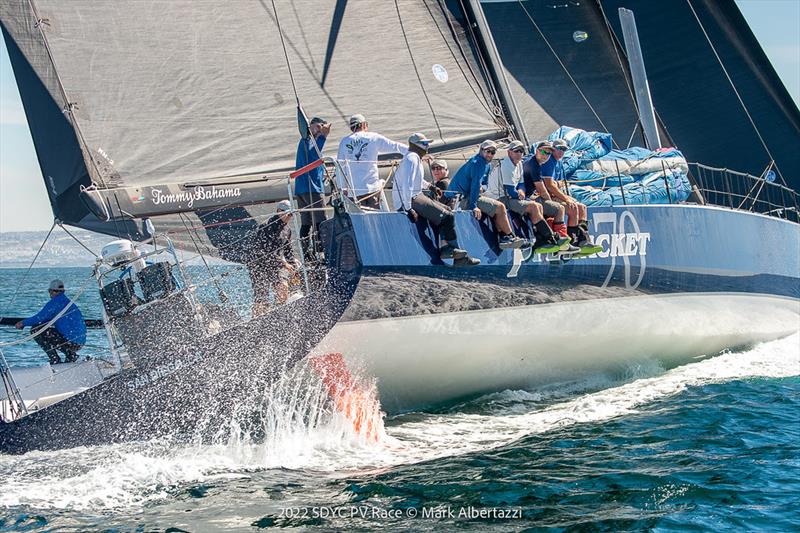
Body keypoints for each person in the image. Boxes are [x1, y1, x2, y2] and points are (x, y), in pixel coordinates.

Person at [393, 133, 480, 266]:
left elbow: (416, 180)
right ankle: (450, 252)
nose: (427, 147)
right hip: (411, 198)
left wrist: (430, 186)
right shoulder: (412, 158)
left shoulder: (414, 158)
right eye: (425, 144)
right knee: (447, 216)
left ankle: (453, 251)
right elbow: (407, 185)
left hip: (415, 196)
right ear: (416, 145)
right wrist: (408, 208)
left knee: (447, 210)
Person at [484, 140, 569, 254]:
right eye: (517, 151)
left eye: (522, 151)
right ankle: (550, 237)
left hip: (512, 196)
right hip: (501, 197)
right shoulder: (506, 164)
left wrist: (521, 191)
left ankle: (544, 239)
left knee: (538, 206)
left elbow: (521, 183)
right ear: (509, 152)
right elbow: (510, 190)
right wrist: (521, 195)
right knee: (534, 206)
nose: (520, 153)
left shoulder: (519, 163)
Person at [446, 140, 527, 249]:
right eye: (487, 151)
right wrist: (473, 206)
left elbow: (484, 184)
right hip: (460, 199)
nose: (490, 154)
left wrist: (482, 188)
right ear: (481, 151)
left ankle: (504, 237)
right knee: (500, 207)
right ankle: (509, 236)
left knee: (497, 206)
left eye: (493, 152)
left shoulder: (487, 164)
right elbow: (474, 186)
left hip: (469, 196)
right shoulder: (477, 163)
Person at [336, 113, 407, 209]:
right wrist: (415, 151)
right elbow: (395, 146)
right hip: (371, 189)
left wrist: (342, 188)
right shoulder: (373, 137)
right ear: (363, 124)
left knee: (360, 220)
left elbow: (340, 166)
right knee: (375, 217)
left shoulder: (344, 142)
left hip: (354, 192)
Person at [545, 138, 602, 253]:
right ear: (553, 149)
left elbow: (559, 183)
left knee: (582, 207)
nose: (561, 152)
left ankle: (583, 239)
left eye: (564, 149)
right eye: (559, 149)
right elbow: (550, 185)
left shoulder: (559, 162)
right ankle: (572, 241)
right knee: (573, 208)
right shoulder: (549, 161)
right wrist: (565, 198)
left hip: (555, 194)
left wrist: (559, 186)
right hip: (548, 196)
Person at [521, 141, 578, 253]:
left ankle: (569, 240)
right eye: (543, 151)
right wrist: (550, 201)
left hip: (530, 196)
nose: (545, 155)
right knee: (559, 208)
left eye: (548, 153)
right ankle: (561, 242)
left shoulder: (537, 163)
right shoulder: (534, 164)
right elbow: (542, 188)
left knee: (569, 207)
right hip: (527, 198)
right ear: (537, 150)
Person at [247, 200, 299, 316]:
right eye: (288, 214)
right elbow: (264, 252)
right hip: (258, 265)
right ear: (279, 211)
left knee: (283, 288)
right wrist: (284, 264)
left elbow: (288, 250)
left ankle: (278, 314)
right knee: (262, 297)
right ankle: (255, 319)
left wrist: (294, 265)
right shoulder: (267, 226)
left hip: (275, 264)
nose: (289, 217)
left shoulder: (287, 230)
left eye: (291, 215)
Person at [15, 279, 86, 364]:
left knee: (36, 329)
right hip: (80, 342)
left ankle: (56, 358)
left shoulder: (55, 302)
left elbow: (39, 318)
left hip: (71, 342)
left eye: (49, 291)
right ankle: (70, 355)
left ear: (52, 291)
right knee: (44, 329)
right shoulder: (68, 302)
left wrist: (23, 323)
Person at [295, 116, 331, 260]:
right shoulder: (308, 141)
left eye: (320, 127)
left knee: (307, 223)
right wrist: (324, 137)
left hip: (302, 189)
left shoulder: (306, 141)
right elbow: (313, 153)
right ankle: (320, 252)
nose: (319, 129)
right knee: (320, 221)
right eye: (317, 127)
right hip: (312, 189)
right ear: (309, 127)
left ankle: (307, 255)